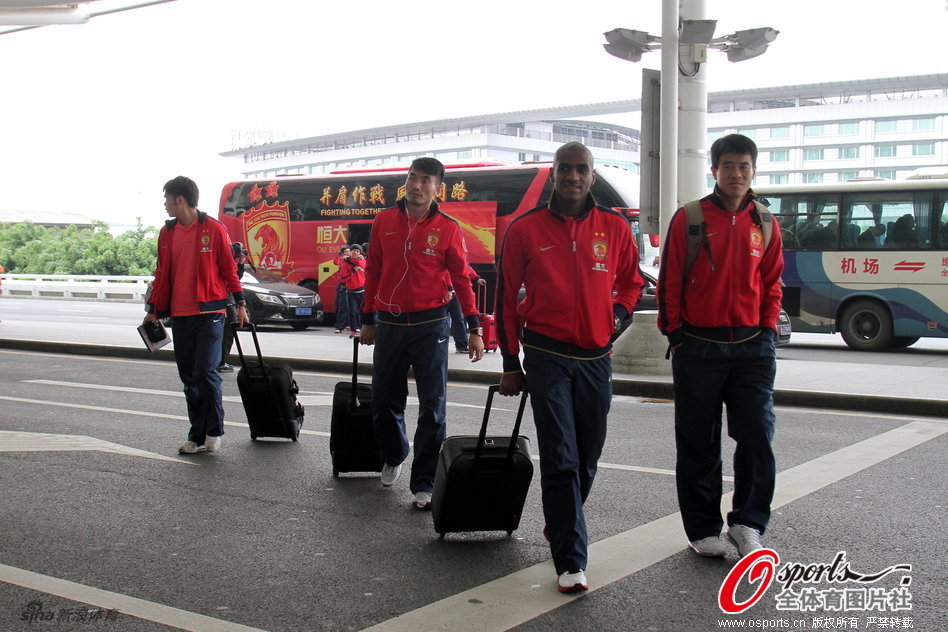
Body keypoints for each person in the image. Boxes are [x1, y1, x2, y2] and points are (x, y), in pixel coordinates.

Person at [496, 142, 643, 594]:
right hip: (546, 357)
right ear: (554, 173)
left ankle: (562, 520)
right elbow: (506, 299)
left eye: (581, 170)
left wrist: (615, 317)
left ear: (592, 175)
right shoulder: (525, 228)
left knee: (588, 456)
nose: (573, 177)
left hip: (596, 359)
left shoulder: (615, 227)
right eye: (565, 169)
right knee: (561, 456)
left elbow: (631, 284)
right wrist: (510, 360)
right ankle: (571, 558)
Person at [656, 134, 784, 560]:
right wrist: (676, 334)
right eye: (728, 165)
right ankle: (704, 528)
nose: (736, 174)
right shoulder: (690, 218)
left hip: (752, 349)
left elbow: (771, 282)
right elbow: (670, 281)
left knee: (757, 437)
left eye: (744, 166)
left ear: (753, 170)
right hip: (699, 347)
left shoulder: (764, 222)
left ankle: (748, 523)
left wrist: (767, 330)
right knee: (698, 442)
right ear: (714, 170)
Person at [360, 157, 485, 510]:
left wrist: (474, 329)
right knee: (384, 400)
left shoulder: (448, 227)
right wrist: (368, 318)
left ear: (437, 188)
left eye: (425, 180)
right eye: (412, 178)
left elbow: (462, 280)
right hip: (391, 324)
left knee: (433, 406)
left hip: (432, 325)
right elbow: (374, 272)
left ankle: (424, 480)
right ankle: (396, 451)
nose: (416, 185)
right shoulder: (384, 220)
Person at [145, 176, 249, 455]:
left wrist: (240, 304)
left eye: (167, 198)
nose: (165, 204)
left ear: (180, 199)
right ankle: (196, 434)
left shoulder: (213, 229)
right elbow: (161, 274)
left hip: (210, 312)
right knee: (189, 377)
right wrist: (153, 310)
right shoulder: (167, 233)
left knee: (206, 372)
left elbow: (229, 269)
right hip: (179, 314)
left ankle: (214, 430)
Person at [217, 241, 254, 372]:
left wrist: (240, 264)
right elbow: (234, 279)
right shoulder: (226, 262)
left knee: (220, 334)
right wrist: (241, 305)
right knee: (227, 333)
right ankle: (221, 361)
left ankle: (218, 361)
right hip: (226, 301)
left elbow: (236, 276)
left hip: (223, 301)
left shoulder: (220, 259)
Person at [446, 265, 486, 353]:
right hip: (442, 294)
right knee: (443, 322)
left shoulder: (457, 258)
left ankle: (461, 345)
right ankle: (439, 346)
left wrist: (477, 278)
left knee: (459, 320)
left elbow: (465, 267)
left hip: (455, 293)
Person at [342, 244, 366, 337]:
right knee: (352, 312)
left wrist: (349, 258)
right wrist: (353, 272)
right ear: (350, 252)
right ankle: (353, 330)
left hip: (362, 291)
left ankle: (362, 328)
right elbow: (343, 278)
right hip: (351, 292)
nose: (355, 252)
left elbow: (360, 264)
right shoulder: (345, 264)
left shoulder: (362, 261)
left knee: (363, 311)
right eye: (353, 250)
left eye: (358, 251)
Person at [333, 245, 351, 333]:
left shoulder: (352, 259)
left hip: (351, 285)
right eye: (346, 252)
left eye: (349, 251)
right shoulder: (341, 259)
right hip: (342, 284)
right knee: (342, 305)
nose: (348, 253)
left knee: (351, 306)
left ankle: (349, 324)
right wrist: (342, 258)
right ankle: (339, 326)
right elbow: (336, 262)